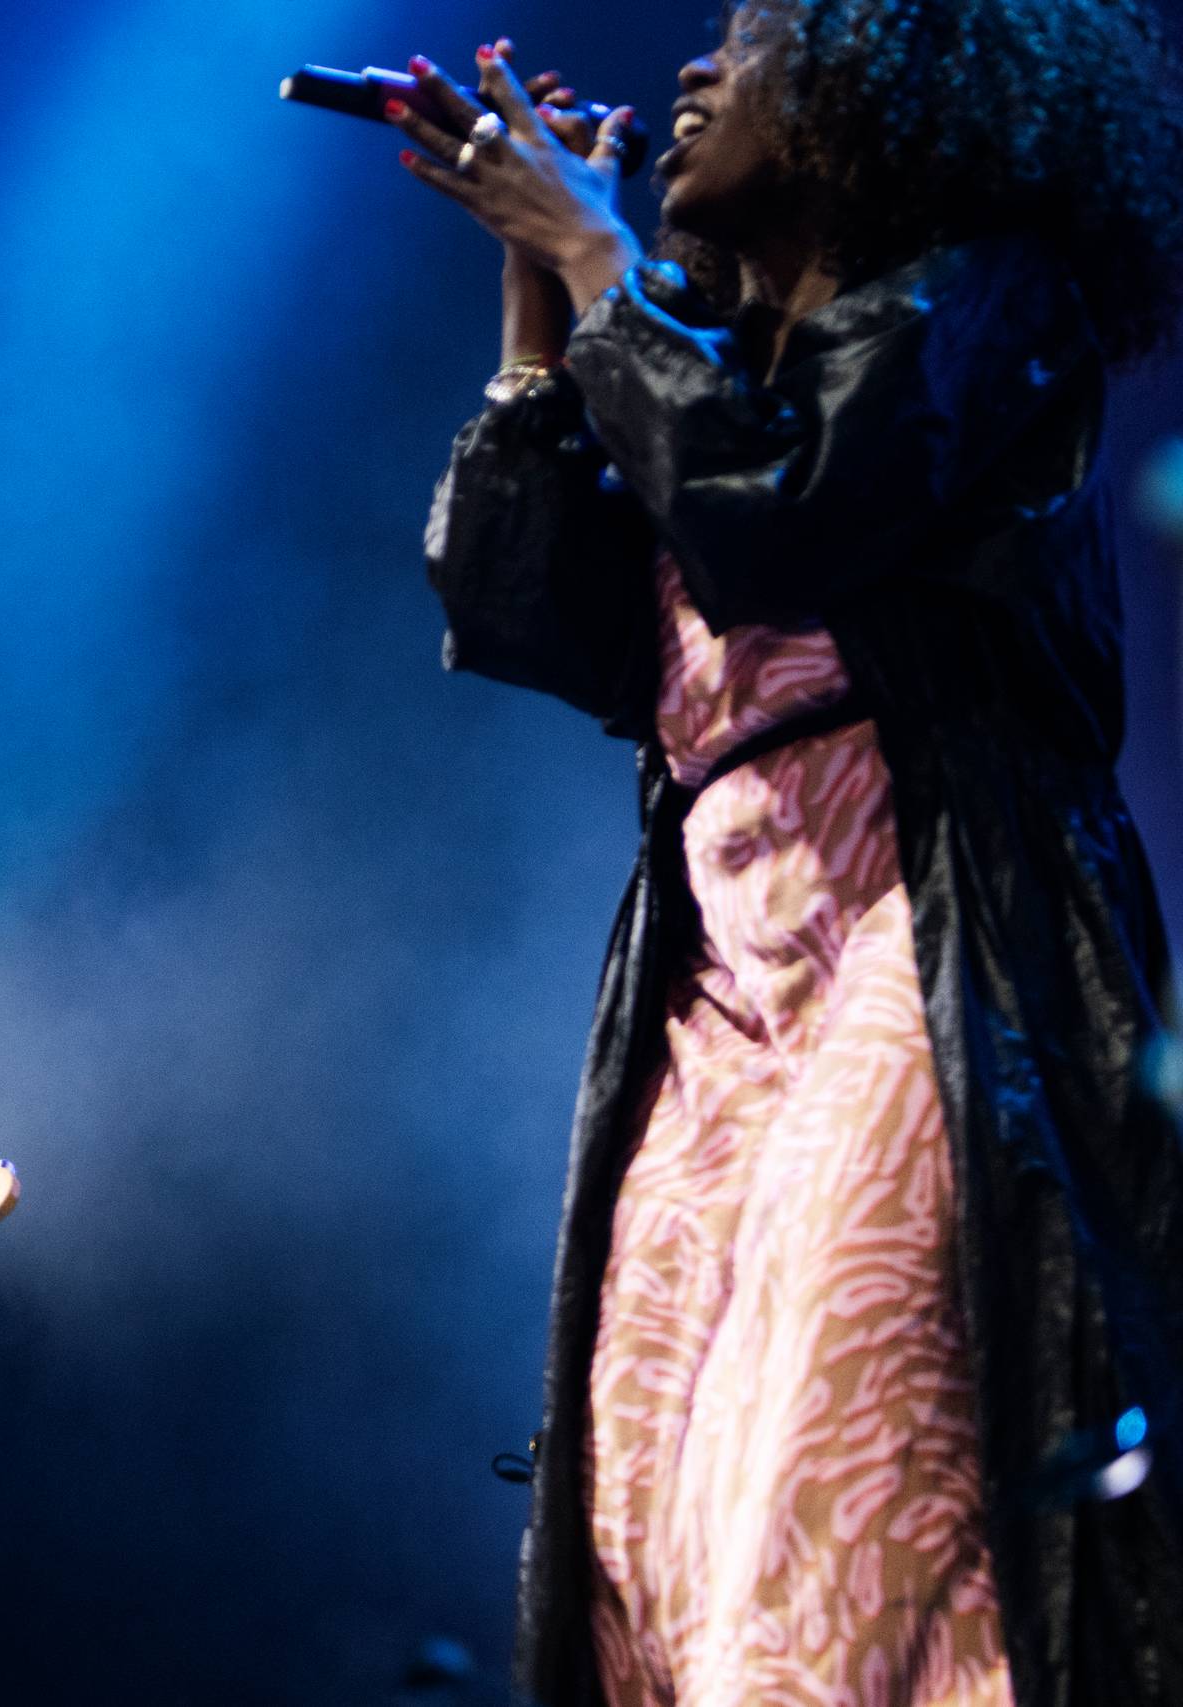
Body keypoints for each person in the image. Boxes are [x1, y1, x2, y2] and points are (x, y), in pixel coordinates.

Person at [395, 4, 1183, 1702]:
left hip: (927, 947)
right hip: (716, 1006)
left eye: (750, 37)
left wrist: (602, 254)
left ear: (891, 89)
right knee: (656, 1519)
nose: (691, 68)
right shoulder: (706, 377)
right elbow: (522, 606)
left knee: (829, 1508)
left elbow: (791, 508)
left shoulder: (994, 299)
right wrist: (541, 296)